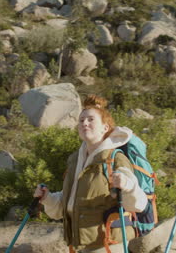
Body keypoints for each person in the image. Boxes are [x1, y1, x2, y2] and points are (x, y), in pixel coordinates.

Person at [33, 95, 148, 253]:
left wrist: (127, 186)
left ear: (105, 128)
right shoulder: (75, 161)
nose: (84, 123)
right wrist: (47, 198)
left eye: (91, 120)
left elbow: (139, 204)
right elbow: (68, 203)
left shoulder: (115, 159)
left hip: (108, 246)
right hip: (80, 246)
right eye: (81, 121)